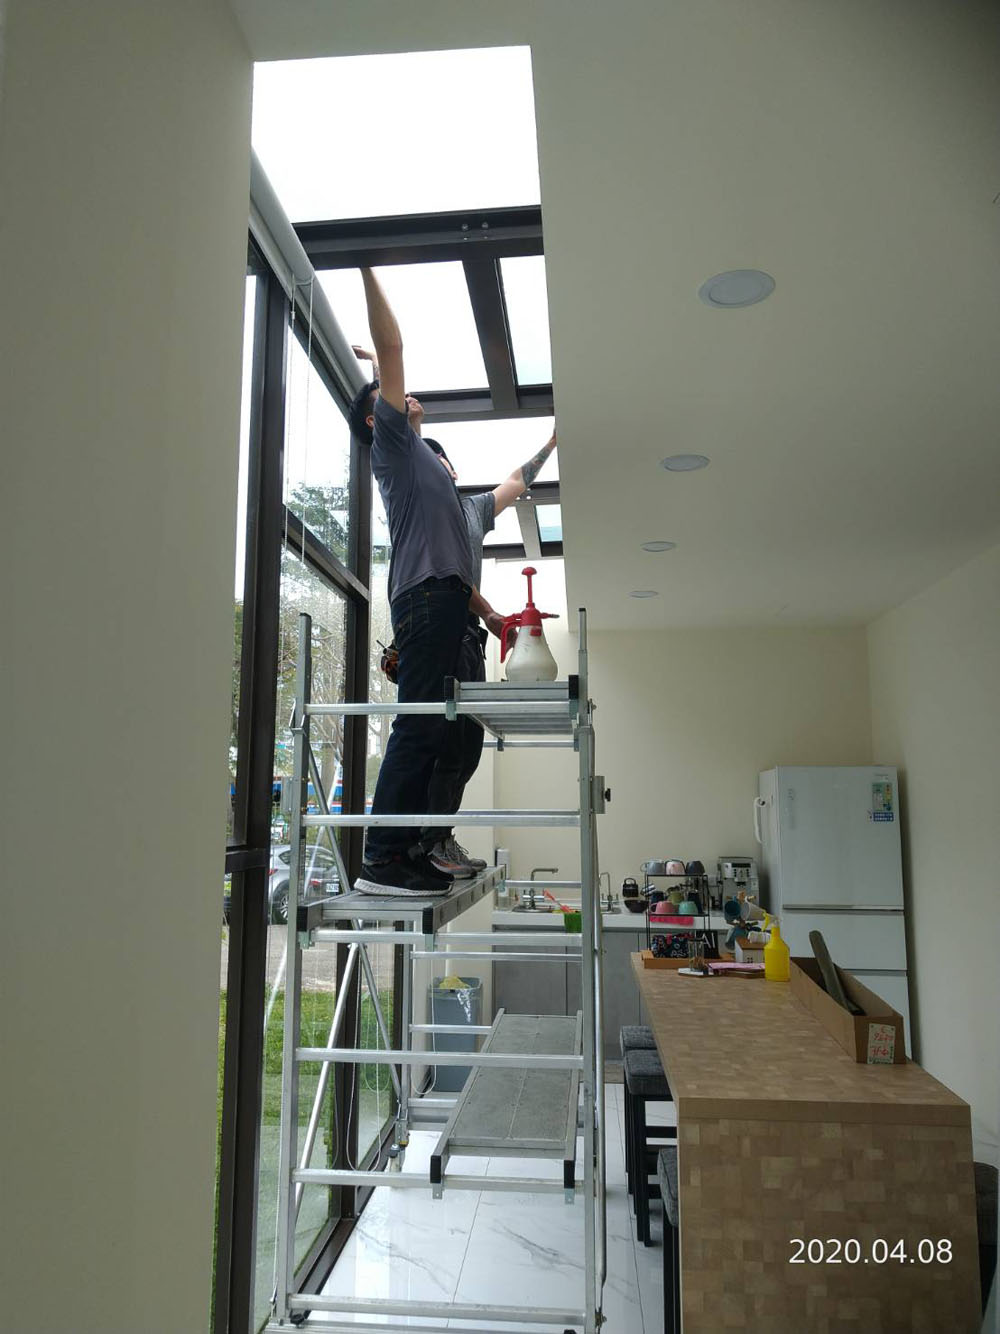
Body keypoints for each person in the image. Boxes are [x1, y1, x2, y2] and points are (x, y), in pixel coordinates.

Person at [347, 268, 475, 896]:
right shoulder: (392, 444)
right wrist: (366, 264)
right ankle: (381, 857)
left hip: (441, 598)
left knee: (438, 727)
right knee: (420, 724)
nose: (403, 397)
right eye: (389, 397)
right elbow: (394, 347)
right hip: (425, 596)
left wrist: (379, 369)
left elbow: (389, 367)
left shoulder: (418, 452)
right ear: (379, 417)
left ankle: (412, 847)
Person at [417, 430, 557, 878]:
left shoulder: (472, 510)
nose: (430, 467)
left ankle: (441, 838)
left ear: (451, 470)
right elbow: (452, 577)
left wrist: (553, 443)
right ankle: (427, 844)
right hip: (438, 632)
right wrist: (492, 614)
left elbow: (517, 481)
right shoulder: (422, 511)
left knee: (467, 747)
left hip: (467, 637)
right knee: (442, 744)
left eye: (437, 459)